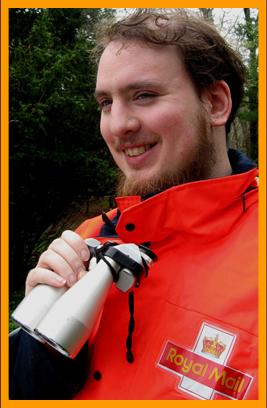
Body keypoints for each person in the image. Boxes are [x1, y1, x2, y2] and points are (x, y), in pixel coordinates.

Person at [9, 9, 258, 400]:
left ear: (214, 103)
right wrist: (41, 343)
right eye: (106, 102)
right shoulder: (87, 240)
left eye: (144, 95)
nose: (118, 125)